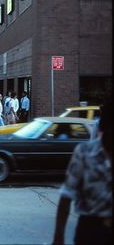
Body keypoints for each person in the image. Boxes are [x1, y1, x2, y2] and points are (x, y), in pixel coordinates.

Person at [52, 100, 112, 245]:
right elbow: (66, 196)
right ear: (105, 125)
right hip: (91, 230)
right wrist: (58, 238)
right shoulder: (84, 152)